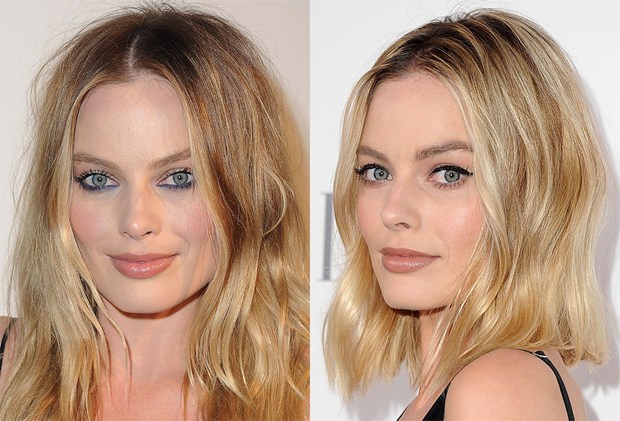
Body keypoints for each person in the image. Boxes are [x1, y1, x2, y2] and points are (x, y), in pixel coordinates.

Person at [0, 4, 308, 420]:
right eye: (98, 179)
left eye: (179, 178)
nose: (135, 222)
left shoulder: (310, 394)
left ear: (246, 192)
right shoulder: (7, 365)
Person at [323, 8, 607, 420]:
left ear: (530, 196)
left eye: (448, 173)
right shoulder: (466, 389)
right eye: (376, 172)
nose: (392, 211)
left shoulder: (497, 387)